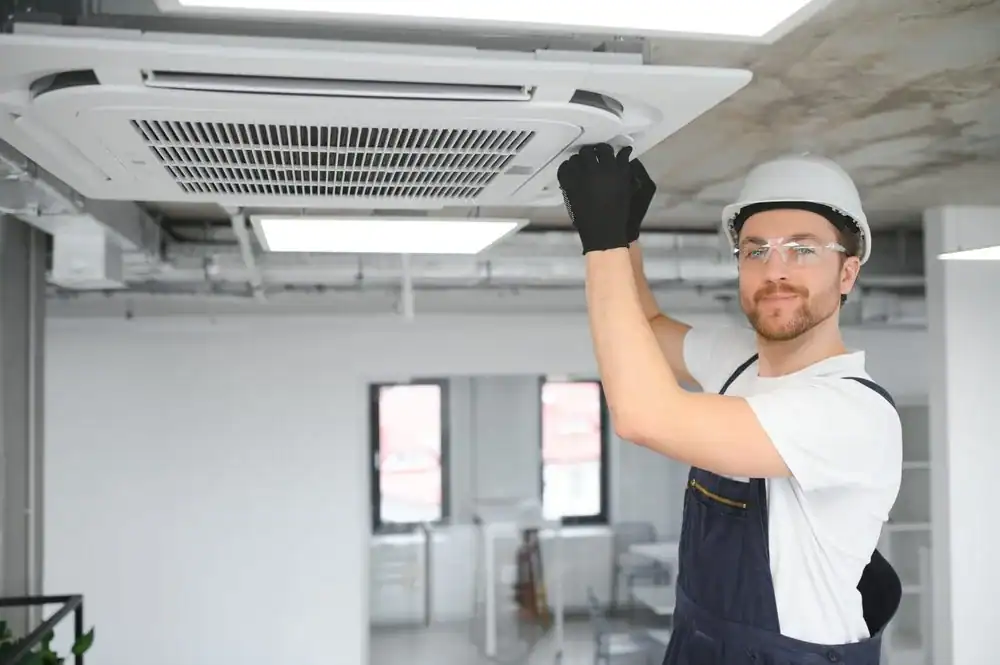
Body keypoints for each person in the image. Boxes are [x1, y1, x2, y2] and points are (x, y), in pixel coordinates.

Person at [557, 144, 903, 664]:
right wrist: (625, 236)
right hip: (700, 642)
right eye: (755, 250)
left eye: (803, 249)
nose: (775, 270)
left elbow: (644, 416)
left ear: (848, 273)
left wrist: (599, 241)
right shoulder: (740, 363)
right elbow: (648, 332)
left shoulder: (851, 412)